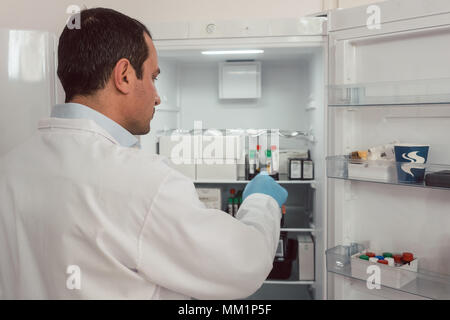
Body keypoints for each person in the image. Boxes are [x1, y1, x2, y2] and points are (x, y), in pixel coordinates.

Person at [0, 8, 287, 299]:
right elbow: (243, 264)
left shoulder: (9, 169)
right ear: (124, 75)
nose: (157, 95)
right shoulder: (145, 183)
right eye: (153, 77)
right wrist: (261, 200)